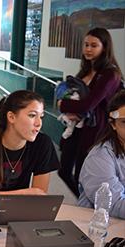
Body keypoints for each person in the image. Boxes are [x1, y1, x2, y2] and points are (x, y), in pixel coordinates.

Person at [57, 27, 122, 197]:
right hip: (77, 128)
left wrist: (62, 104)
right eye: (86, 44)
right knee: (63, 171)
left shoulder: (110, 74)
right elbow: (78, 98)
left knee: (82, 174)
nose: (88, 49)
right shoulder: (85, 71)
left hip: (95, 130)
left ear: (104, 47)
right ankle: (85, 201)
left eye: (94, 45)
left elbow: (88, 104)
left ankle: (89, 208)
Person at [0, 90, 60, 206]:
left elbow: (38, 195)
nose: (39, 123)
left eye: (41, 117)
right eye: (32, 115)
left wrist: (22, 196)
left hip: (11, 207)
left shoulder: (43, 143)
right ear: (11, 117)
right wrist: (24, 194)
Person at [78, 90, 125, 219]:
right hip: (99, 230)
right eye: (124, 123)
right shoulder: (99, 157)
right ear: (113, 124)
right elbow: (115, 204)